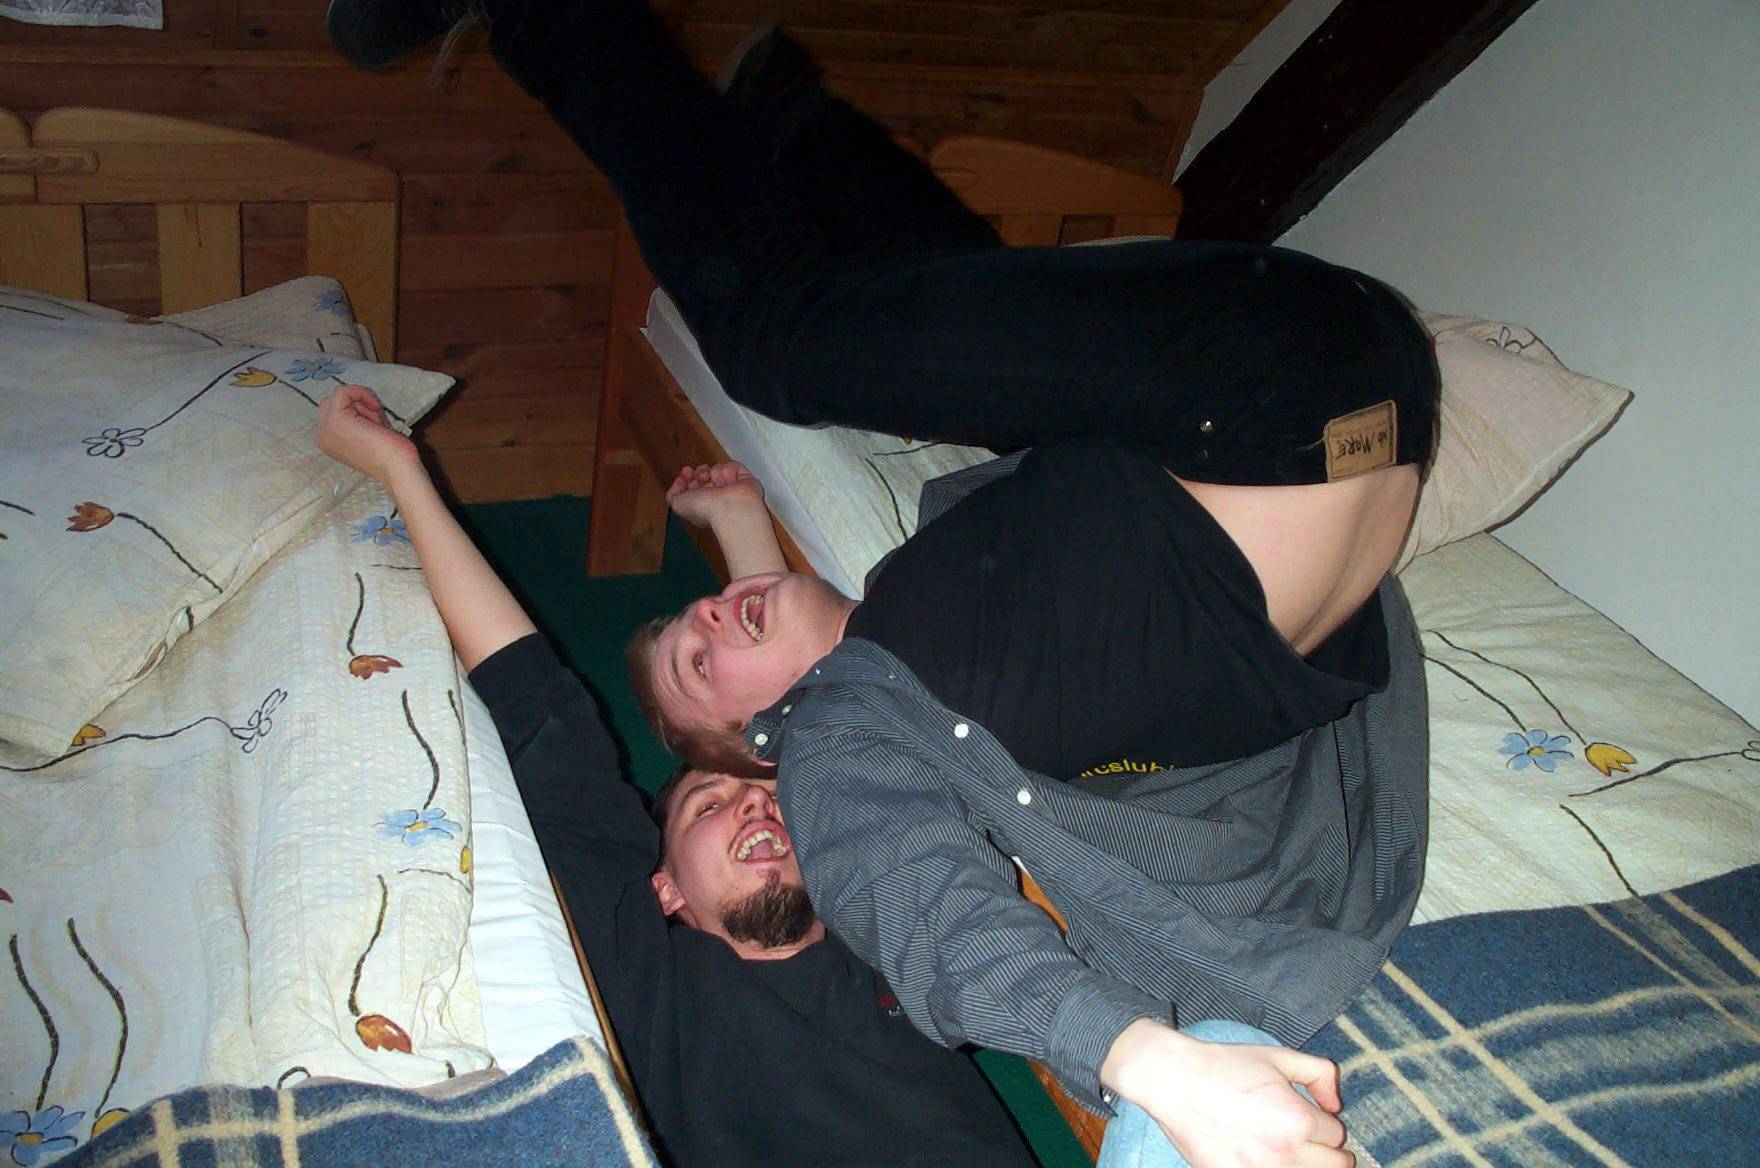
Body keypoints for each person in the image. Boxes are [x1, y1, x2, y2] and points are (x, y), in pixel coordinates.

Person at [324, 3, 1426, 1165]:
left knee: (834, 352)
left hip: (1272, 378)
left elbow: (816, 686)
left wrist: (738, 534)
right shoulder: (863, 745)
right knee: (782, 346)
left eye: (699, 612)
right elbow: (906, 882)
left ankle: (749, 102)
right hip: (1325, 397)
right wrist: (1147, 1057)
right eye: (701, 663)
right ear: (773, 741)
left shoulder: (922, 611)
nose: (711, 610)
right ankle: (773, 112)